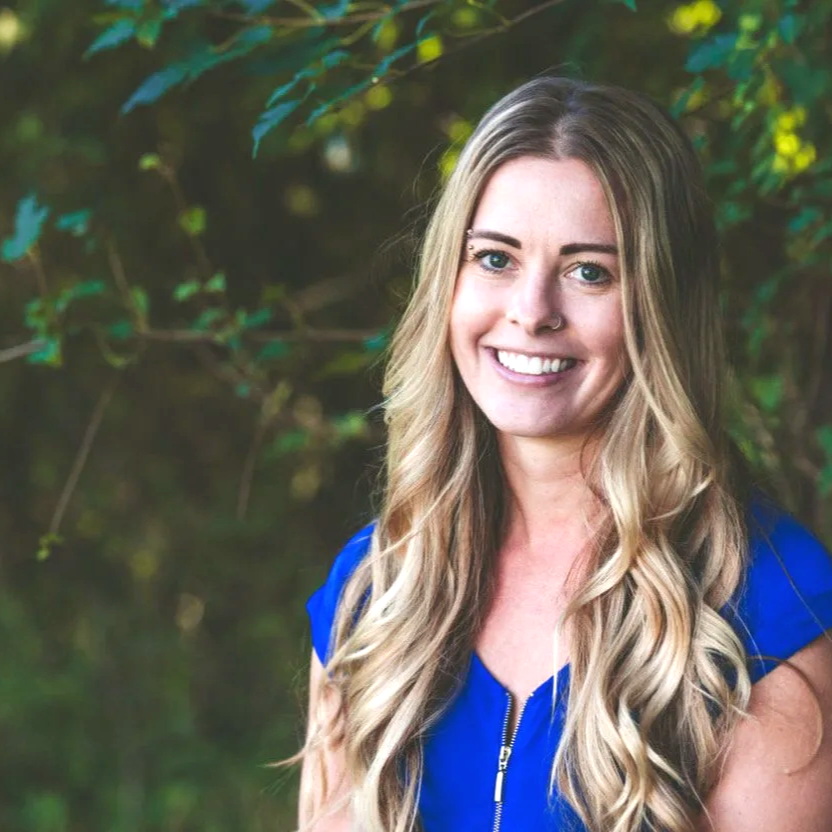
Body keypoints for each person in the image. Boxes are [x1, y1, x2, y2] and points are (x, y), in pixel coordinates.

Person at [296, 76, 832, 831]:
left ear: (662, 306)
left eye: (590, 272)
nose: (531, 311)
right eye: (495, 259)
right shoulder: (374, 592)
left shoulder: (772, 609)